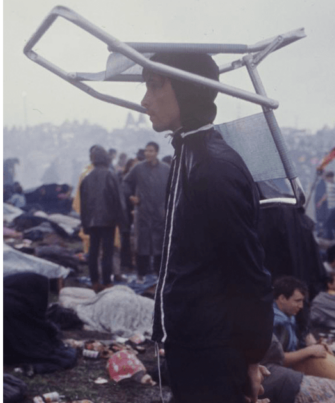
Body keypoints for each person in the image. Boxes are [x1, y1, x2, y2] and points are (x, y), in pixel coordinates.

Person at [144, 52, 274, 403]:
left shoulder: (213, 168)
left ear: (186, 90)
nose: (145, 101)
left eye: (154, 87)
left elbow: (248, 272)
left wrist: (251, 356)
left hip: (212, 348)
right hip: (191, 339)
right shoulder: (187, 154)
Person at [272, 276, 335, 393]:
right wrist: (309, 351)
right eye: (297, 301)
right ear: (282, 298)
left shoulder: (288, 317)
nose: (301, 306)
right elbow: (276, 359)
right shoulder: (275, 322)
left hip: (295, 367)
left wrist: (316, 346)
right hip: (284, 374)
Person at [78, 145, 126, 292]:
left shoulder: (87, 178)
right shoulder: (111, 175)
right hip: (108, 221)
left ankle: (94, 282)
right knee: (107, 251)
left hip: (92, 222)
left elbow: (83, 204)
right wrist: (122, 222)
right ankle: (106, 281)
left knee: (93, 251)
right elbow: (118, 200)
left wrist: (85, 223)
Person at [122, 141, 169, 279]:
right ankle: (141, 275)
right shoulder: (138, 168)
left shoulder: (166, 169)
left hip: (160, 213)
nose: (148, 153)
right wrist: (131, 196)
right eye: (146, 151)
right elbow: (126, 182)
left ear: (157, 152)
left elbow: (173, 188)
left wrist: (168, 206)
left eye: (151, 151)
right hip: (142, 211)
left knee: (159, 244)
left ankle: (159, 275)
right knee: (142, 244)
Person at [316, 171, 335, 240]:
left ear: (331, 177)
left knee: (328, 222)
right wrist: (320, 202)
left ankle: (329, 236)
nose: (327, 180)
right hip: (330, 206)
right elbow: (326, 195)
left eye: (328, 178)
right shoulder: (328, 184)